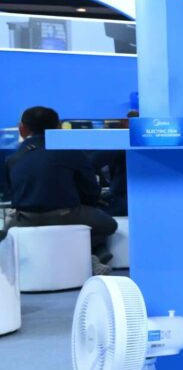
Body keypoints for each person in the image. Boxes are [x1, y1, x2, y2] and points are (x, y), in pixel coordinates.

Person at [3, 106, 117, 270]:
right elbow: (91, 191)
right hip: (66, 214)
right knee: (108, 224)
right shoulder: (71, 152)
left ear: (22, 129)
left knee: (6, 234)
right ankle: (91, 255)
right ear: (58, 127)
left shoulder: (12, 158)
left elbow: (10, 192)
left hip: (23, 219)